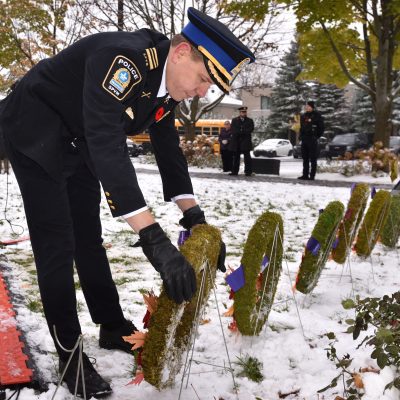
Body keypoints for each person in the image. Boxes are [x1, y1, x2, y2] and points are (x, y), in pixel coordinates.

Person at [0, 7, 255, 398]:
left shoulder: (165, 83)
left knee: (88, 238)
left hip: (77, 140)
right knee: (57, 245)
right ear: (182, 51)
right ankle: (70, 357)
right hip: (34, 128)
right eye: (204, 79)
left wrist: (194, 217)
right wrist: (153, 238)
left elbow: (168, 150)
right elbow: (107, 146)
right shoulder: (124, 61)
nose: (203, 92)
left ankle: (111, 324)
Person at [298, 101, 324, 180]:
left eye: (308, 106)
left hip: (312, 139)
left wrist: (316, 136)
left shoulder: (317, 115)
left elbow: (321, 127)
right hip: (305, 139)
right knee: (305, 158)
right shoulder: (303, 116)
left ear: (312, 107)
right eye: (306, 106)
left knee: (313, 158)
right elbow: (301, 127)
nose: (307, 107)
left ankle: (312, 175)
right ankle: (305, 174)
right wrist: (301, 136)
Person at [229, 106, 255, 176]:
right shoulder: (234, 120)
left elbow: (251, 129)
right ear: (240, 112)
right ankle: (234, 171)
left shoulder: (250, 120)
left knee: (247, 158)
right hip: (237, 142)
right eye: (242, 112)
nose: (244, 113)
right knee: (236, 157)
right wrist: (241, 132)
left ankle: (248, 172)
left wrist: (242, 132)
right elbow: (233, 129)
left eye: (245, 112)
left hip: (245, 142)